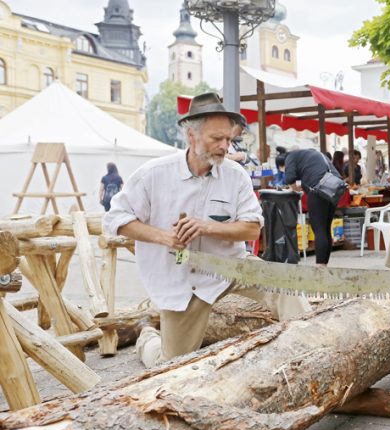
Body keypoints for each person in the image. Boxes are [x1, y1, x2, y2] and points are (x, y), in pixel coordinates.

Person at [103, 92, 308, 368]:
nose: (225, 146)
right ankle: (147, 339)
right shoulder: (153, 174)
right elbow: (115, 219)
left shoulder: (235, 175)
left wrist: (207, 227)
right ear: (191, 135)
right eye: (216, 139)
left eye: (228, 139)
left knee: (286, 285)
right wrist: (165, 237)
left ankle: (309, 351)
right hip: (181, 279)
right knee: (171, 366)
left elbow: (252, 230)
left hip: (230, 266)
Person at [277, 146, 343, 265]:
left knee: (319, 229)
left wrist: (294, 188)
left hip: (319, 190)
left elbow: (290, 178)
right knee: (325, 229)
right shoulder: (311, 154)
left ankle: (319, 267)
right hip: (333, 188)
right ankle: (324, 265)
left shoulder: (290, 157)